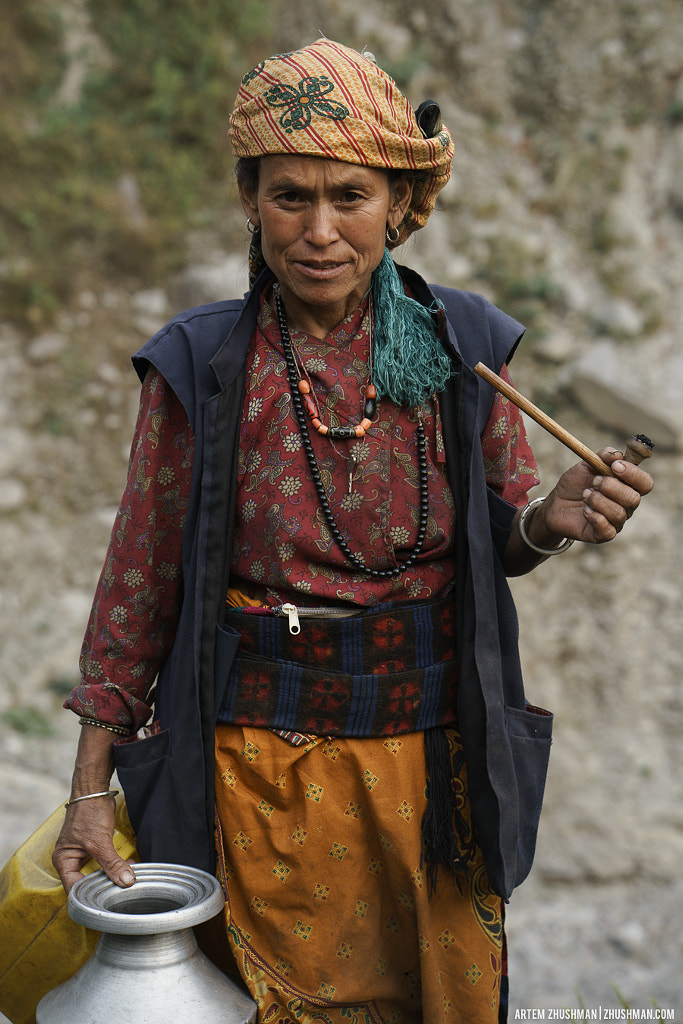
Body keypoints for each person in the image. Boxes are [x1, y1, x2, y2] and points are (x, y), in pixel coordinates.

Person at [53, 39, 653, 1024]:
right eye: (290, 196)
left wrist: (549, 521)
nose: (319, 229)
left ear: (396, 207)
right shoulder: (204, 366)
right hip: (264, 776)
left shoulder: (468, 350)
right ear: (250, 200)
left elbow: (500, 531)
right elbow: (137, 585)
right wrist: (88, 790)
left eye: (349, 196)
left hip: (435, 770)